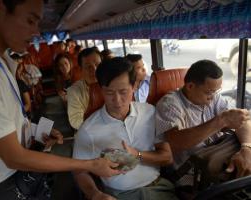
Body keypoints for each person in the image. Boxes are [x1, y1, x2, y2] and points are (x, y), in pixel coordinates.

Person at [0, 0, 121, 199]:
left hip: (18, 174)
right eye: (31, 21)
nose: (36, 33)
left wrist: (35, 130)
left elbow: (6, 120)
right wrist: (90, 165)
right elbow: (14, 157)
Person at [73, 57, 177, 200]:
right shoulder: (87, 130)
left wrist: (138, 155)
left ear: (134, 86)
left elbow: (167, 157)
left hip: (157, 188)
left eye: (123, 92)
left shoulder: (150, 113)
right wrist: (95, 194)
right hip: (118, 194)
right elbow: (80, 172)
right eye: (109, 93)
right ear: (101, 90)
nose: (117, 100)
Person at [156, 60, 251, 181]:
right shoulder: (170, 105)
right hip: (191, 172)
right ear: (190, 86)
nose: (213, 96)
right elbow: (174, 143)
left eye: (216, 91)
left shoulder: (214, 97)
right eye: (209, 92)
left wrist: (246, 148)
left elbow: (242, 120)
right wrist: (221, 121)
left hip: (218, 156)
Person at [67, 47, 102, 130]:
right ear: (81, 70)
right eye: (88, 67)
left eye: (97, 65)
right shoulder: (74, 91)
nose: (94, 69)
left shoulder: (111, 84)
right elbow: (75, 121)